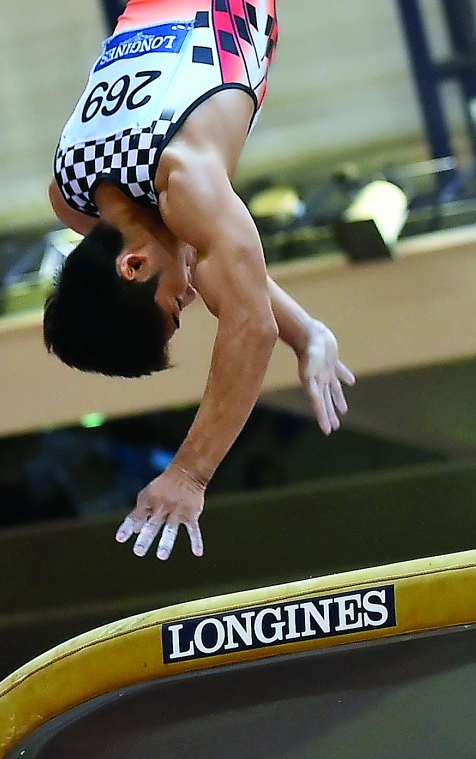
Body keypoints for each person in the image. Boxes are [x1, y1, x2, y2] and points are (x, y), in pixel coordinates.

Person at [42, 0, 354, 560]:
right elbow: (235, 276)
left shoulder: (187, 178)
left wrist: (189, 473)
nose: (190, 296)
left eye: (173, 308)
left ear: (132, 266)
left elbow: (249, 323)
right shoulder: (71, 196)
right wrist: (306, 332)